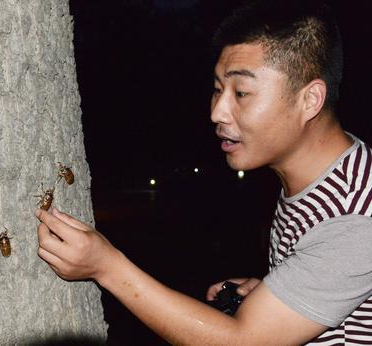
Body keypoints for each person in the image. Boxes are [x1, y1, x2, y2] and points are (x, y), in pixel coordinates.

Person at [35, 0, 372, 344]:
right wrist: (284, 291)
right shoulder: (329, 174)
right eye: (217, 89)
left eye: (241, 92)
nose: (218, 112)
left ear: (310, 100)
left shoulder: (357, 215)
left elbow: (242, 342)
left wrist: (106, 267)